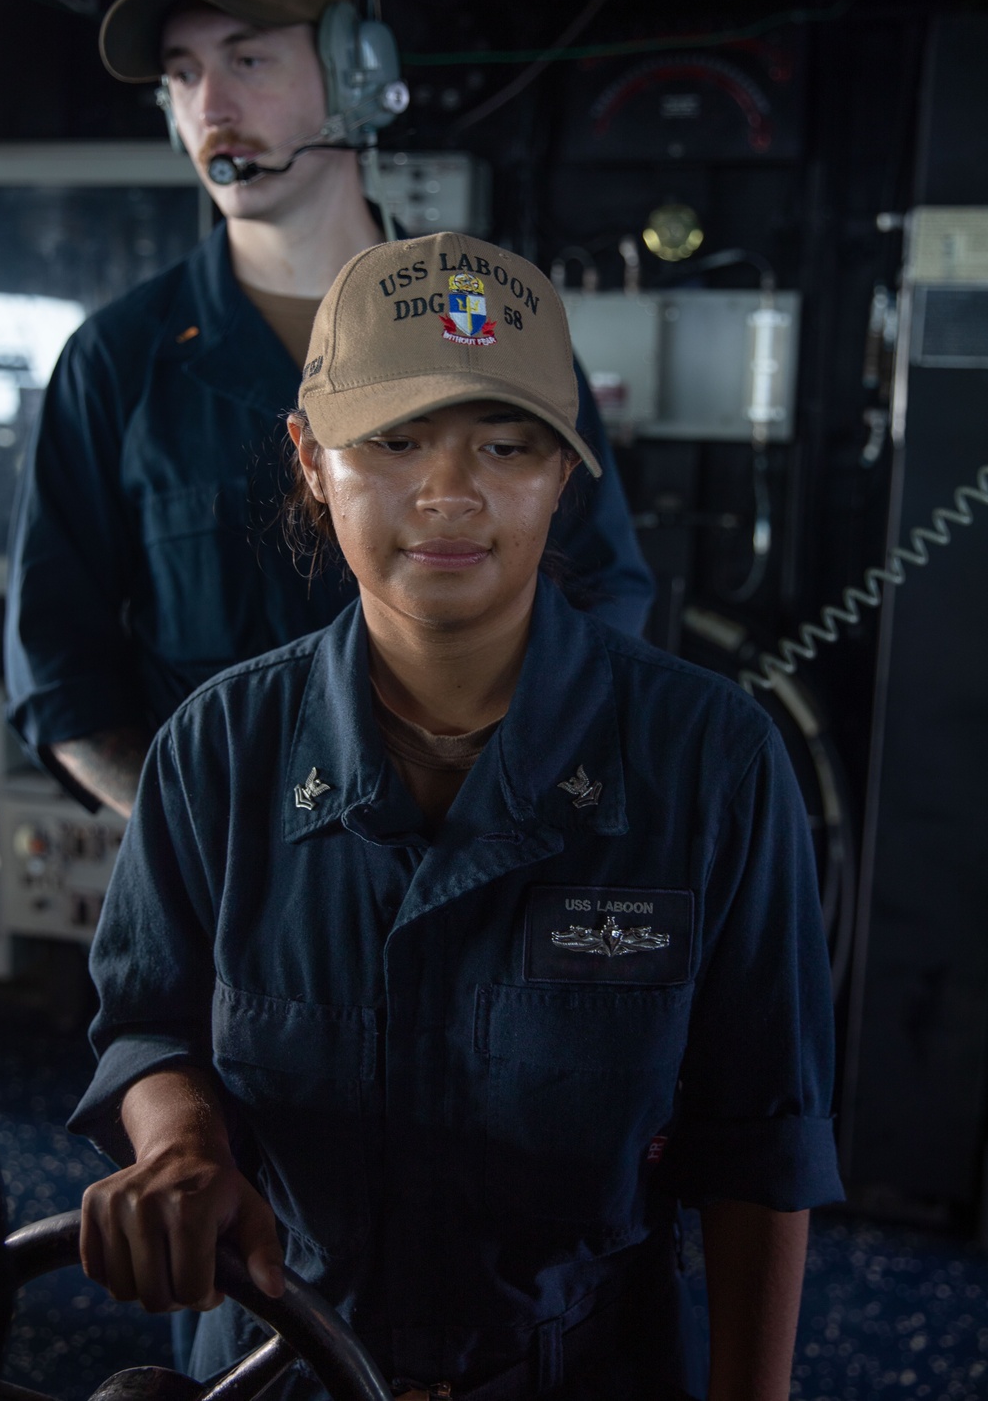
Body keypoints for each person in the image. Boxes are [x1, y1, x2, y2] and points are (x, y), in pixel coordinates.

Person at [70, 231, 843, 1401]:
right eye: (393, 439)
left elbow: (761, 1143)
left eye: (505, 444)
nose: (450, 493)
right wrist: (181, 1141)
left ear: (565, 474)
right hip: (280, 1370)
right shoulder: (217, 752)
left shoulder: (709, 763)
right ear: (310, 460)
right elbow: (147, 1025)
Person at [4, 0, 652, 821]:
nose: (211, 109)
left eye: (248, 60)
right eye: (183, 75)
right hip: (225, 905)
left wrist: (502, 805)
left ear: (354, 75)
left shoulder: (493, 323)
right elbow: (59, 675)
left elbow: (604, 593)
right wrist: (192, 850)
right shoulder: (116, 362)